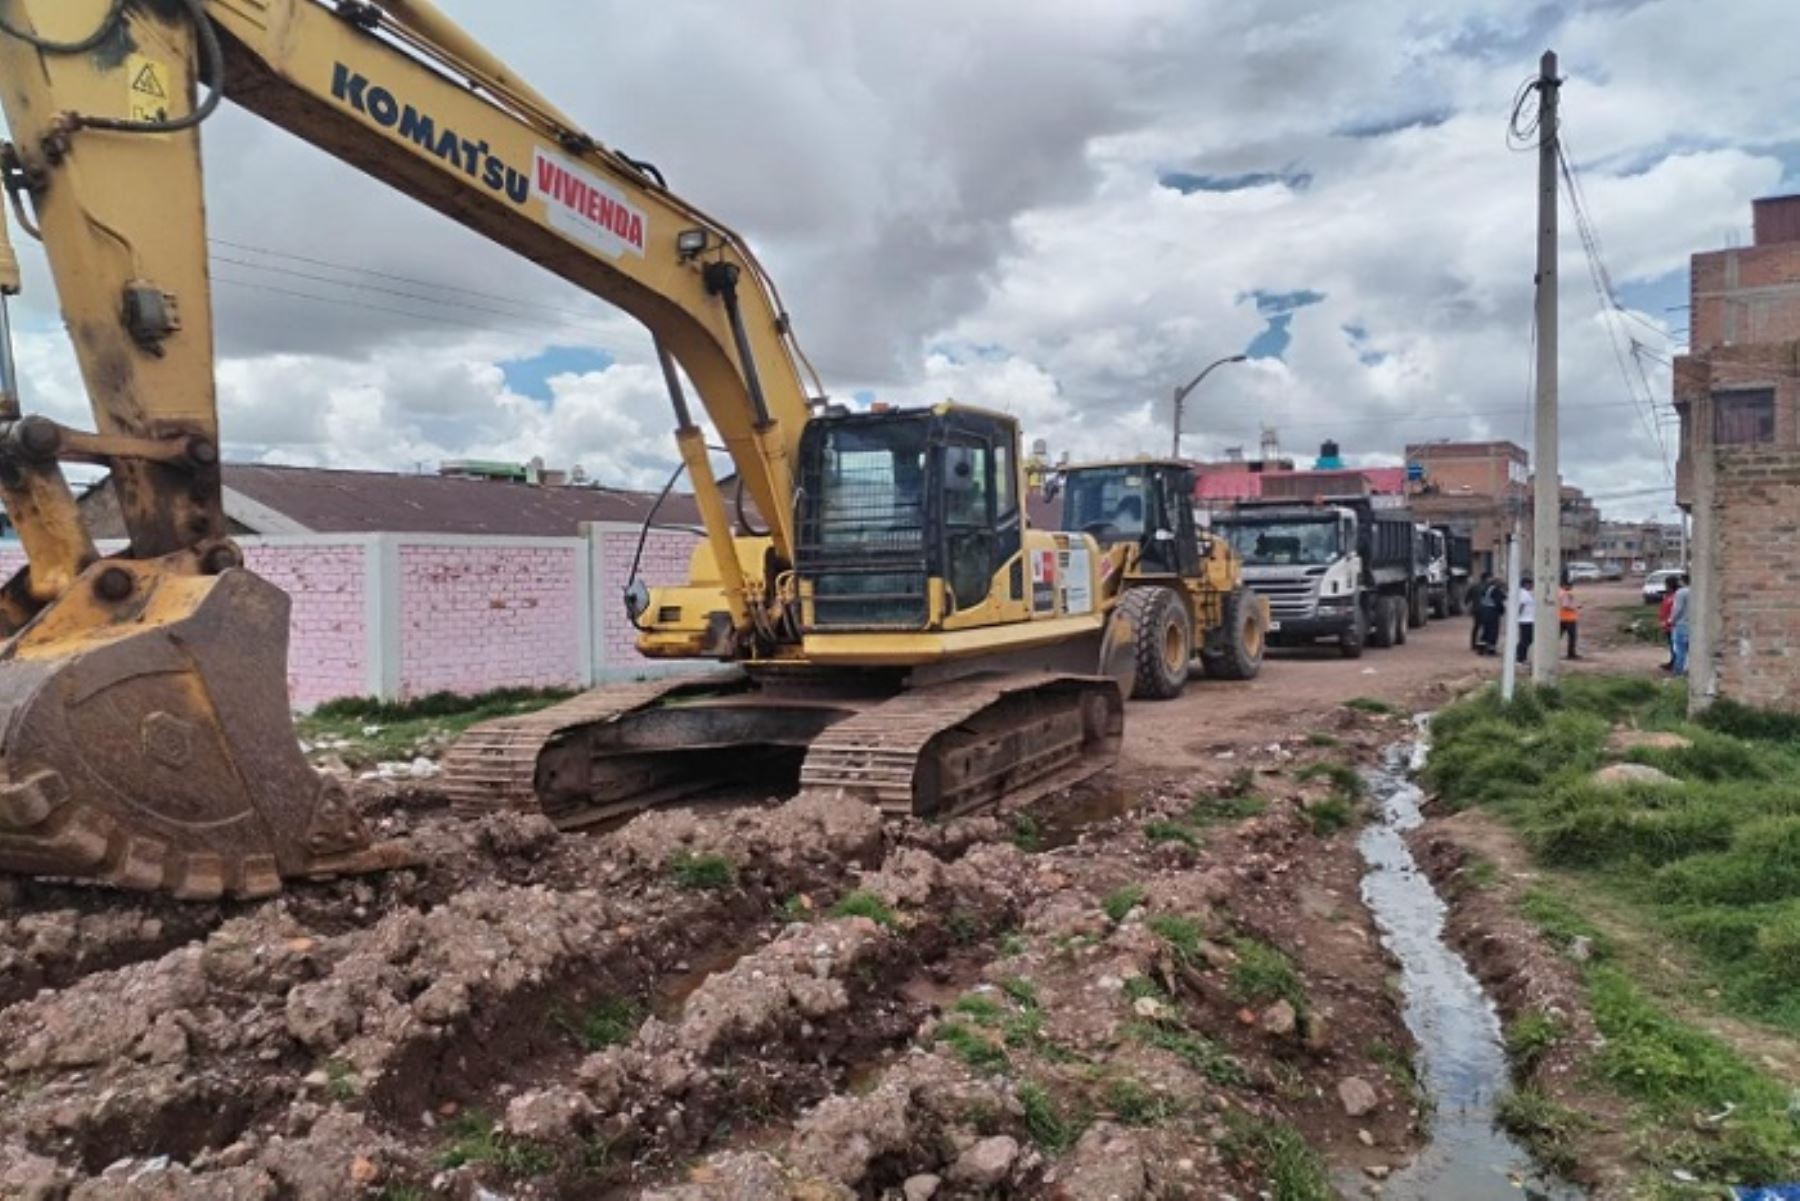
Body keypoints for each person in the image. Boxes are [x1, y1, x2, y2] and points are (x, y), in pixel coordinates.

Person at [1476, 574, 1505, 655]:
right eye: (1501, 583)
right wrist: (1502, 610)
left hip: (1484, 611)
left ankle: (1481, 648)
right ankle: (1491, 649)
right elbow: (1498, 602)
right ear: (1497, 583)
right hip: (1492, 612)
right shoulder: (1496, 590)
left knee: (1486, 630)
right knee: (1493, 631)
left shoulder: (1486, 588)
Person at [1670, 574, 1692, 677]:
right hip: (1693, 625)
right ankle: (1689, 671)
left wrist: (1671, 620)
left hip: (1681, 624)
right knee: (1690, 650)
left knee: (1680, 650)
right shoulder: (1696, 590)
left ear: (1682, 581)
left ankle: (1678, 672)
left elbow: (1677, 609)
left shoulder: (1681, 592)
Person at [1558, 573, 1582, 660]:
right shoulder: (1565, 594)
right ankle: (1571, 654)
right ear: (1565, 585)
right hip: (1569, 618)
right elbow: (1565, 606)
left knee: (1557, 636)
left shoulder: (1558, 592)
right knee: (1572, 637)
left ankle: (1550, 652)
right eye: (1570, 585)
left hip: (1560, 617)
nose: (1571, 587)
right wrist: (1576, 607)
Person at [1658, 574, 1680, 671]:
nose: (1665, 586)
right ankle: (1673, 661)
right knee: (1671, 645)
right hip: (1667, 624)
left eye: (1666, 584)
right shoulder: (1668, 595)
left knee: (1675, 646)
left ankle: (1676, 664)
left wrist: (1669, 621)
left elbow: (1675, 611)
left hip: (1672, 625)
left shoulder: (1676, 596)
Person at [1469, 571, 1492, 652]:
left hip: (1476, 609)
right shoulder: (1489, 587)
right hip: (1485, 609)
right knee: (1485, 627)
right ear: (1487, 578)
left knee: (1476, 626)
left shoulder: (1474, 586)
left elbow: (1467, 598)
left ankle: (1473, 644)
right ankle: (1483, 645)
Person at [1515, 576, 1536, 665]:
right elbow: (1521, 605)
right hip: (1525, 620)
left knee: (1528, 639)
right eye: (1531, 584)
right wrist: (1517, 616)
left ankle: (1521, 657)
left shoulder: (1526, 593)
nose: (1532, 586)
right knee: (1525, 640)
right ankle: (1519, 658)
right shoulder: (1523, 593)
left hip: (1529, 619)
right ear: (1526, 584)